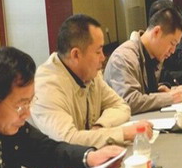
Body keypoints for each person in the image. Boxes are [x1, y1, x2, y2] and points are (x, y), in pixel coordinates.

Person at [32, 15, 152, 147]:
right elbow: (67, 140)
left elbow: (121, 106)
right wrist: (123, 133)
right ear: (76, 55)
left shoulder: (90, 74)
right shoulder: (47, 87)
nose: (103, 58)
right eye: (98, 52)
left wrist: (100, 127)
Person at [104, 7, 182, 114]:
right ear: (156, 32)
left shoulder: (153, 55)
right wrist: (169, 98)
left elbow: (144, 90)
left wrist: (158, 90)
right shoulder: (124, 57)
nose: (173, 51)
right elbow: (129, 101)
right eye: (172, 43)